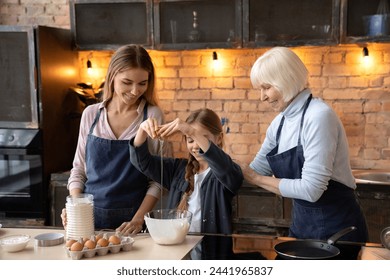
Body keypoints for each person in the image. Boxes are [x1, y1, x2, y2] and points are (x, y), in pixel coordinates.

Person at [240, 47, 368, 242]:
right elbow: (257, 170)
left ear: (285, 80)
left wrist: (255, 178)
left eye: (266, 87)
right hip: (301, 226)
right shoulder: (279, 123)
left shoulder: (318, 116)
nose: (262, 97)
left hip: (337, 230)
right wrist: (209, 153)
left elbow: (311, 189)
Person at [62, 44, 168, 235]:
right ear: (112, 77)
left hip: (134, 224)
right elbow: (79, 169)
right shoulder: (91, 114)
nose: (135, 91)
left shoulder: (152, 116)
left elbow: (159, 178)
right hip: (88, 220)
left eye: (142, 83)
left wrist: (137, 220)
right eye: (127, 82)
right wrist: (75, 207)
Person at [129, 108, 243, 234]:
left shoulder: (226, 172)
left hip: (212, 251)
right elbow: (143, 162)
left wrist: (191, 131)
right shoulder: (177, 169)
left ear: (219, 138)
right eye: (190, 140)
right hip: (177, 250)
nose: (195, 145)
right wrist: (142, 130)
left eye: (201, 138)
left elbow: (224, 166)